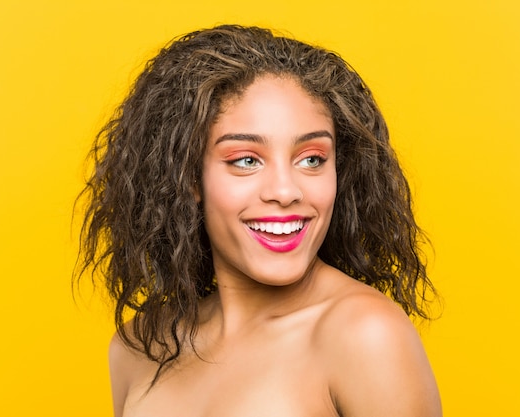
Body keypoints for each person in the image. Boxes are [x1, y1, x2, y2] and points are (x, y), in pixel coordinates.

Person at [76, 24, 442, 417]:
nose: (285, 191)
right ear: (187, 176)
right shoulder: (139, 348)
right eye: (246, 161)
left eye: (312, 159)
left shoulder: (364, 334)